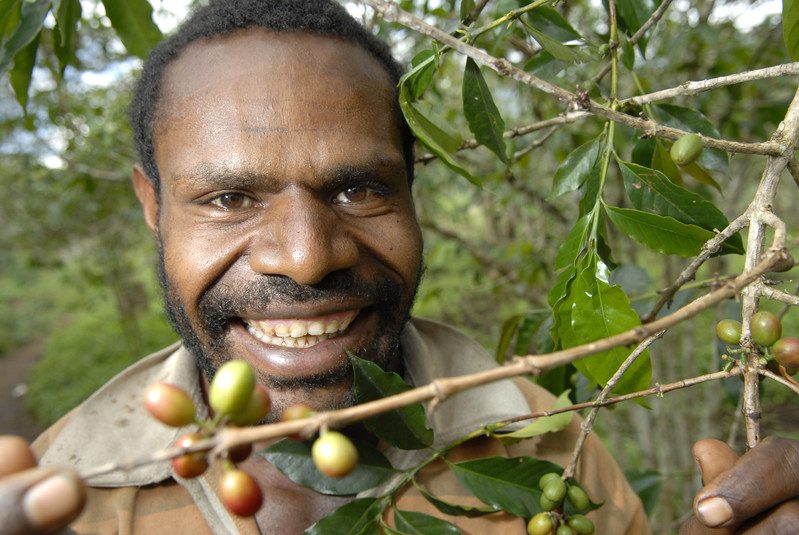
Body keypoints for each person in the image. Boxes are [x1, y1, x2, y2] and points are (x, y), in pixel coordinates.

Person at [1, 0, 798, 533]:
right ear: (152, 204)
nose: (307, 257)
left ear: (411, 186)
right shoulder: (63, 494)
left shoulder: (542, 446)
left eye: (357, 187)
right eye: (230, 198)